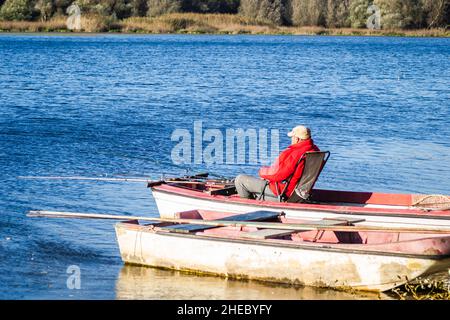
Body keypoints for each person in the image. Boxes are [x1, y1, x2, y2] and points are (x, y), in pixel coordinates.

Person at [234, 125, 320, 201]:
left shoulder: (295, 153)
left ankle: (250, 208)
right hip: (299, 193)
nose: (291, 140)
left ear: (297, 139)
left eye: (292, 137)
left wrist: (262, 172)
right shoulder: (315, 151)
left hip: (282, 192)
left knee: (240, 180)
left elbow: (278, 174)